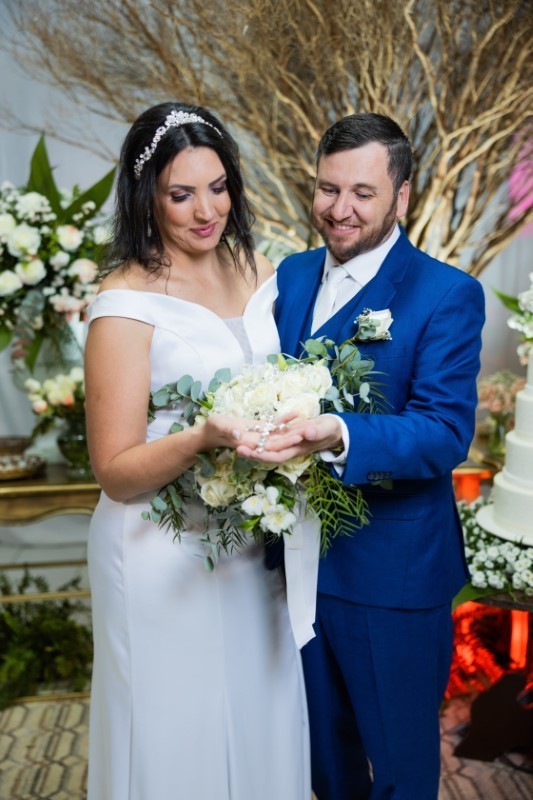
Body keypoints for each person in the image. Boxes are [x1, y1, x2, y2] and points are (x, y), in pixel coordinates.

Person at [236, 113, 485, 799]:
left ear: (401, 196)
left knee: (400, 773)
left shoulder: (446, 294)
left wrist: (338, 432)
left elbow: (443, 431)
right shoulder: (288, 275)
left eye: (362, 193)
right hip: (289, 568)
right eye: (328, 188)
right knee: (321, 768)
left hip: (391, 577)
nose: (339, 209)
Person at [83, 101, 311, 799]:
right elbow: (115, 474)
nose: (206, 211)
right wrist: (202, 437)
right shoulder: (123, 304)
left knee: (260, 713)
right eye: (181, 194)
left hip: (251, 545)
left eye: (218, 187)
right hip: (159, 549)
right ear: (146, 196)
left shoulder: (260, 268)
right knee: (174, 727)